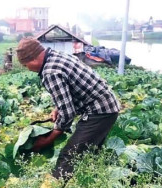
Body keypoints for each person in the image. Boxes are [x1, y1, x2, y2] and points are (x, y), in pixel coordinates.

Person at [16, 37, 120, 180]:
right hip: (107, 107)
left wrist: (48, 140)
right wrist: (57, 107)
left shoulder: (49, 72)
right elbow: (70, 88)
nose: (28, 69)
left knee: (70, 155)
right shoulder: (57, 56)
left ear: (32, 59)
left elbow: (68, 113)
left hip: (100, 111)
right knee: (90, 155)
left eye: (26, 65)